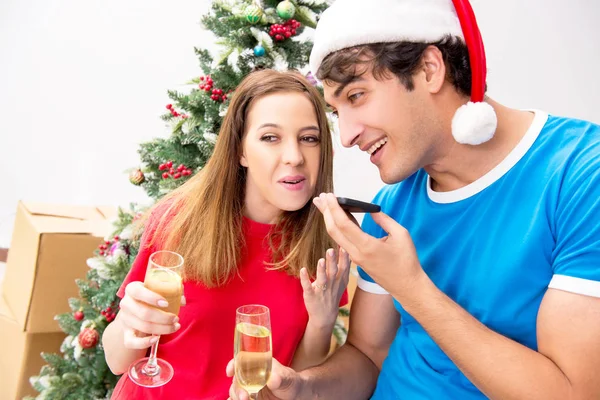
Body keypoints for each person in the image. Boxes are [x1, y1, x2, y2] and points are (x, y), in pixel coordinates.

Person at [227, 0, 600, 399]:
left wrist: (411, 286)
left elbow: (573, 392)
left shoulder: (581, 174)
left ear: (429, 69)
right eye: (337, 112)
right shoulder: (392, 204)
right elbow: (368, 355)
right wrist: (300, 388)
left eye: (356, 96)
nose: (348, 136)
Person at [103, 69, 350, 399]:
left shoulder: (325, 240)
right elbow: (117, 360)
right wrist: (129, 326)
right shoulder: (178, 219)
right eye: (270, 138)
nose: (294, 156)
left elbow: (296, 381)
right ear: (240, 151)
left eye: (309, 138)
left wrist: (322, 322)